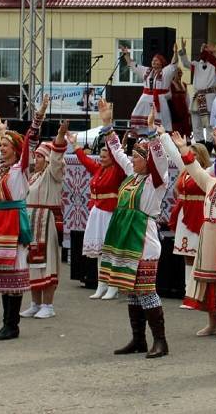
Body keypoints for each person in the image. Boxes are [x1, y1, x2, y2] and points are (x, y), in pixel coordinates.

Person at [0, 93, 47, 341]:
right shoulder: (0, 167)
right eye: (0, 145)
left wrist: (38, 117)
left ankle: (12, 325)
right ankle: (7, 323)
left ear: (15, 149)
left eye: (5, 145)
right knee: (4, 275)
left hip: (13, 222)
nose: (1, 148)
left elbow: (31, 140)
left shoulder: (20, 168)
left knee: (15, 271)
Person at [99, 100, 171, 359]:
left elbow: (160, 160)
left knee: (146, 289)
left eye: (137, 156)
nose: (131, 159)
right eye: (133, 156)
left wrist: (152, 134)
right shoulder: (131, 174)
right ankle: (138, 339)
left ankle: (160, 342)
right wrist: (108, 125)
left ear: (146, 160)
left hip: (144, 237)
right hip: (126, 236)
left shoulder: (156, 181)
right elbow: (118, 152)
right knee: (130, 288)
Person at [163, 131, 216, 338]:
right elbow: (193, 166)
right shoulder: (210, 183)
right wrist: (182, 147)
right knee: (209, 281)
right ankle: (213, 323)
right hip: (208, 235)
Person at [68, 126, 126, 300]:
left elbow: (118, 156)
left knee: (111, 251)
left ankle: (113, 286)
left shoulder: (117, 170)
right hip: (97, 213)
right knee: (100, 252)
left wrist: (113, 141)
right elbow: (86, 161)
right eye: (100, 156)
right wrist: (76, 146)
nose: (101, 159)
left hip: (110, 213)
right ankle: (102, 285)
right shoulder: (99, 169)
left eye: (105, 156)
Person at [20, 123, 67, 320]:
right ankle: (35, 304)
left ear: (47, 160)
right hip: (32, 223)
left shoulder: (52, 174)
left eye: (40, 156)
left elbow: (57, 160)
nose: (36, 159)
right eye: (36, 155)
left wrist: (60, 136)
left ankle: (48, 305)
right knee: (32, 265)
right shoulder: (33, 177)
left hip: (46, 223)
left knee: (47, 264)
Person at [168, 141, 210, 308]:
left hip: (199, 214)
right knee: (187, 255)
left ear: (201, 156)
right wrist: (163, 136)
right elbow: (174, 154)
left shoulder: (207, 172)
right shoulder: (185, 170)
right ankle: (188, 293)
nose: (189, 156)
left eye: (193, 154)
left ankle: (198, 295)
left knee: (198, 255)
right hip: (184, 215)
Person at [120, 43, 178, 135]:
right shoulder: (147, 71)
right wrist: (126, 55)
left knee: (159, 125)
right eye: (153, 60)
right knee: (142, 124)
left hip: (159, 101)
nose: (153, 62)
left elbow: (173, 65)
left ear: (162, 62)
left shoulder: (165, 72)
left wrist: (175, 53)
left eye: (156, 60)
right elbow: (133, 65)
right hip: (144, 101)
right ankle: (143, 140)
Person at [178, 37, 216, 143]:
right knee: (196, 124)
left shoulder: (215, 64)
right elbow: (185, 63)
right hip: (197, 97)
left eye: (207, 50)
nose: (204, 52)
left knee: (210, 124)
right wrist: (183, 50)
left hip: (209, 97)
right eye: (203, 50)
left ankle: (210, 145)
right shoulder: (196, 65)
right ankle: (199, 144)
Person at [169, 66, 192, 140]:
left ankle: (186, 141)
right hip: (174, 109)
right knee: (176, 127)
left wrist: (188, 109)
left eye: (180, 72)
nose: (179, 74)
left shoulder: (184, 84)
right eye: (177, 72)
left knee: (185, 126)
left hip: (183, 109)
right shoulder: (170, 85)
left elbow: (187, 98)